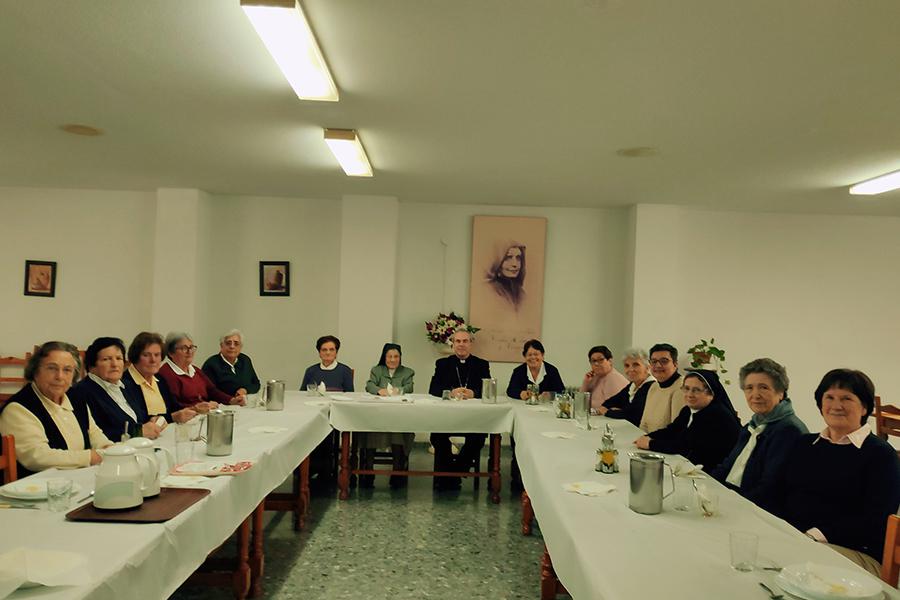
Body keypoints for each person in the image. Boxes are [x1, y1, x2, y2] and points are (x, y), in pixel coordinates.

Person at [764, 369, 900, 576]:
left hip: (855, 552)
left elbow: (875, 519)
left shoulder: (881, 455)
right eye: (829, 397)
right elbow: (776, 492)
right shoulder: (804, 444)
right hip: (796, 539)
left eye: (847, 398)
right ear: (820, 404)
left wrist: (812, 536)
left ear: (864, 408)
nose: (836, 405)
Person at [0, 341, 112, 476]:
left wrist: (108, 448)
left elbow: (94, 433)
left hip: (78, 479)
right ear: (35, 371)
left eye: (67, 370)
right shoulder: (18, 408)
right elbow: (37, 457)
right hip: (35, 488)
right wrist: (91, 457)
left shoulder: (76, 397)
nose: (59, 377)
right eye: (52, 368)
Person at [712, 358, 807, 504]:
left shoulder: (788, 430)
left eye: (763, 387)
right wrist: (706, 485)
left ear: (781, 392)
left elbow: (769, 487)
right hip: (734, 496)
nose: (755, 395)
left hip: (758, 509)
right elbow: (727, 466)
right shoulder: (752, 425)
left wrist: (731, 504)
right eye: (749, 388)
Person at [634, 369, 740, 473]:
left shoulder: (716, 415)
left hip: (713, 474)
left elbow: (684, 446)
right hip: (693, 465)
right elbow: (672, 430)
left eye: (696, 390)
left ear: (711, 393)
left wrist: (650, 444)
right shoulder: (689, 410)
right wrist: (648, 437)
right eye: (686, 388)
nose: (689, 394)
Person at [428, 328, 491, 490]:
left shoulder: (481, 365)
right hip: (447, 417)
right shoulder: (442, 364)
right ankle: (453, 474)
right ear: (453, 344)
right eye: (458, 341)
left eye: (465, 341)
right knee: (437, 437)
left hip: (473, 418)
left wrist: (474, 393)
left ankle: (454, 472)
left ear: (471, 344)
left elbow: (488, 390)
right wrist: (450, 393)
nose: (461, 345)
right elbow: (433, 389)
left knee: (478, 438)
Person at [68, 337, 164, 442]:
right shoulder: (80, 392)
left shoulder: (126, 385)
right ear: (92, 366)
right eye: (107, 359)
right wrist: (137, 432)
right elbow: (92, 435)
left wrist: (153, 420)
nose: (114, 364)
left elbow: (138, 418)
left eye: (119, 358)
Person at [359, 343, 415, 488]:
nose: (392, 359)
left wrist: (399, 390)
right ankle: (368, 470)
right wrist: (379, 391)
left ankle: (397, 471)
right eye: (389, 356)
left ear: (400, 358)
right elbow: (369, 385)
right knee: (371, 430)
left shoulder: (407, 372)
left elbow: (409, 387)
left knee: (397, 431)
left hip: (398, 415)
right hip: (378, 414)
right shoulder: (377, 370)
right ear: (384, 357)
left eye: (396, 356)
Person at [121, 331, 199, 423]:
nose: (153, 360)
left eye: (157, 355)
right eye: (146, 355)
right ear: (135, 356)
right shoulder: (124, 382)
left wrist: (195, 409)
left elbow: (174, 408)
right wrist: (171, 418)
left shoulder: (159, 379)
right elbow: (139, 418)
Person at [157, 332, 242, 408]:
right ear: (171, 352)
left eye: (191, 347)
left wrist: (231, 400)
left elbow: (212, 390)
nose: (190, 351)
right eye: (184, 348)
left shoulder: (195, 370)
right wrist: (199, 407)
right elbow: (174, 405)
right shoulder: (165, 374)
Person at [596, 348, 656, 426]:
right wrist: (621, 411)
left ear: (647, 367)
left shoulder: (651, 386)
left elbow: (632, 416)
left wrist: (608, 412)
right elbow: (609, 402)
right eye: (627, 366)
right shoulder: (632, 385)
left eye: (636, 365)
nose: (630, 369)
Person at [638, 343, 686, 433]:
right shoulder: (654, 386)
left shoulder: (682, 388)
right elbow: (644, 424)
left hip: (664, 444)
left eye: (664, 361)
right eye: (654, 361)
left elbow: (676, 430)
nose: (658, 365)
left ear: (675, 364)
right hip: (649, 441)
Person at [202, 329, 261, 398]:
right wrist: (231, 400)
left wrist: (245, 390)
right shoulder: (211, 364)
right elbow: (209, 392)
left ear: (240, 347)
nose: (232, 347)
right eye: (228, 343)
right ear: (221, 346)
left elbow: (256, 384)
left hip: (244, 403)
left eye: (236, 344)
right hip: (222, 405)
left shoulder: (245, 360)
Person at [580, 345, 629, 411]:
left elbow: (613, 408)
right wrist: (585, 383)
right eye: (593, 361)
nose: (596, 364)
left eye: (601, 360)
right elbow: (580, 404)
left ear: (610, 361)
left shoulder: (613, 378)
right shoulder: (594, 377)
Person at [484, 241, 527, 311]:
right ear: (498, 261)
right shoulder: (487, 289)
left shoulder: (521, 294)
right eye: (508, 258)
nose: (515, 264)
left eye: (518, 258)